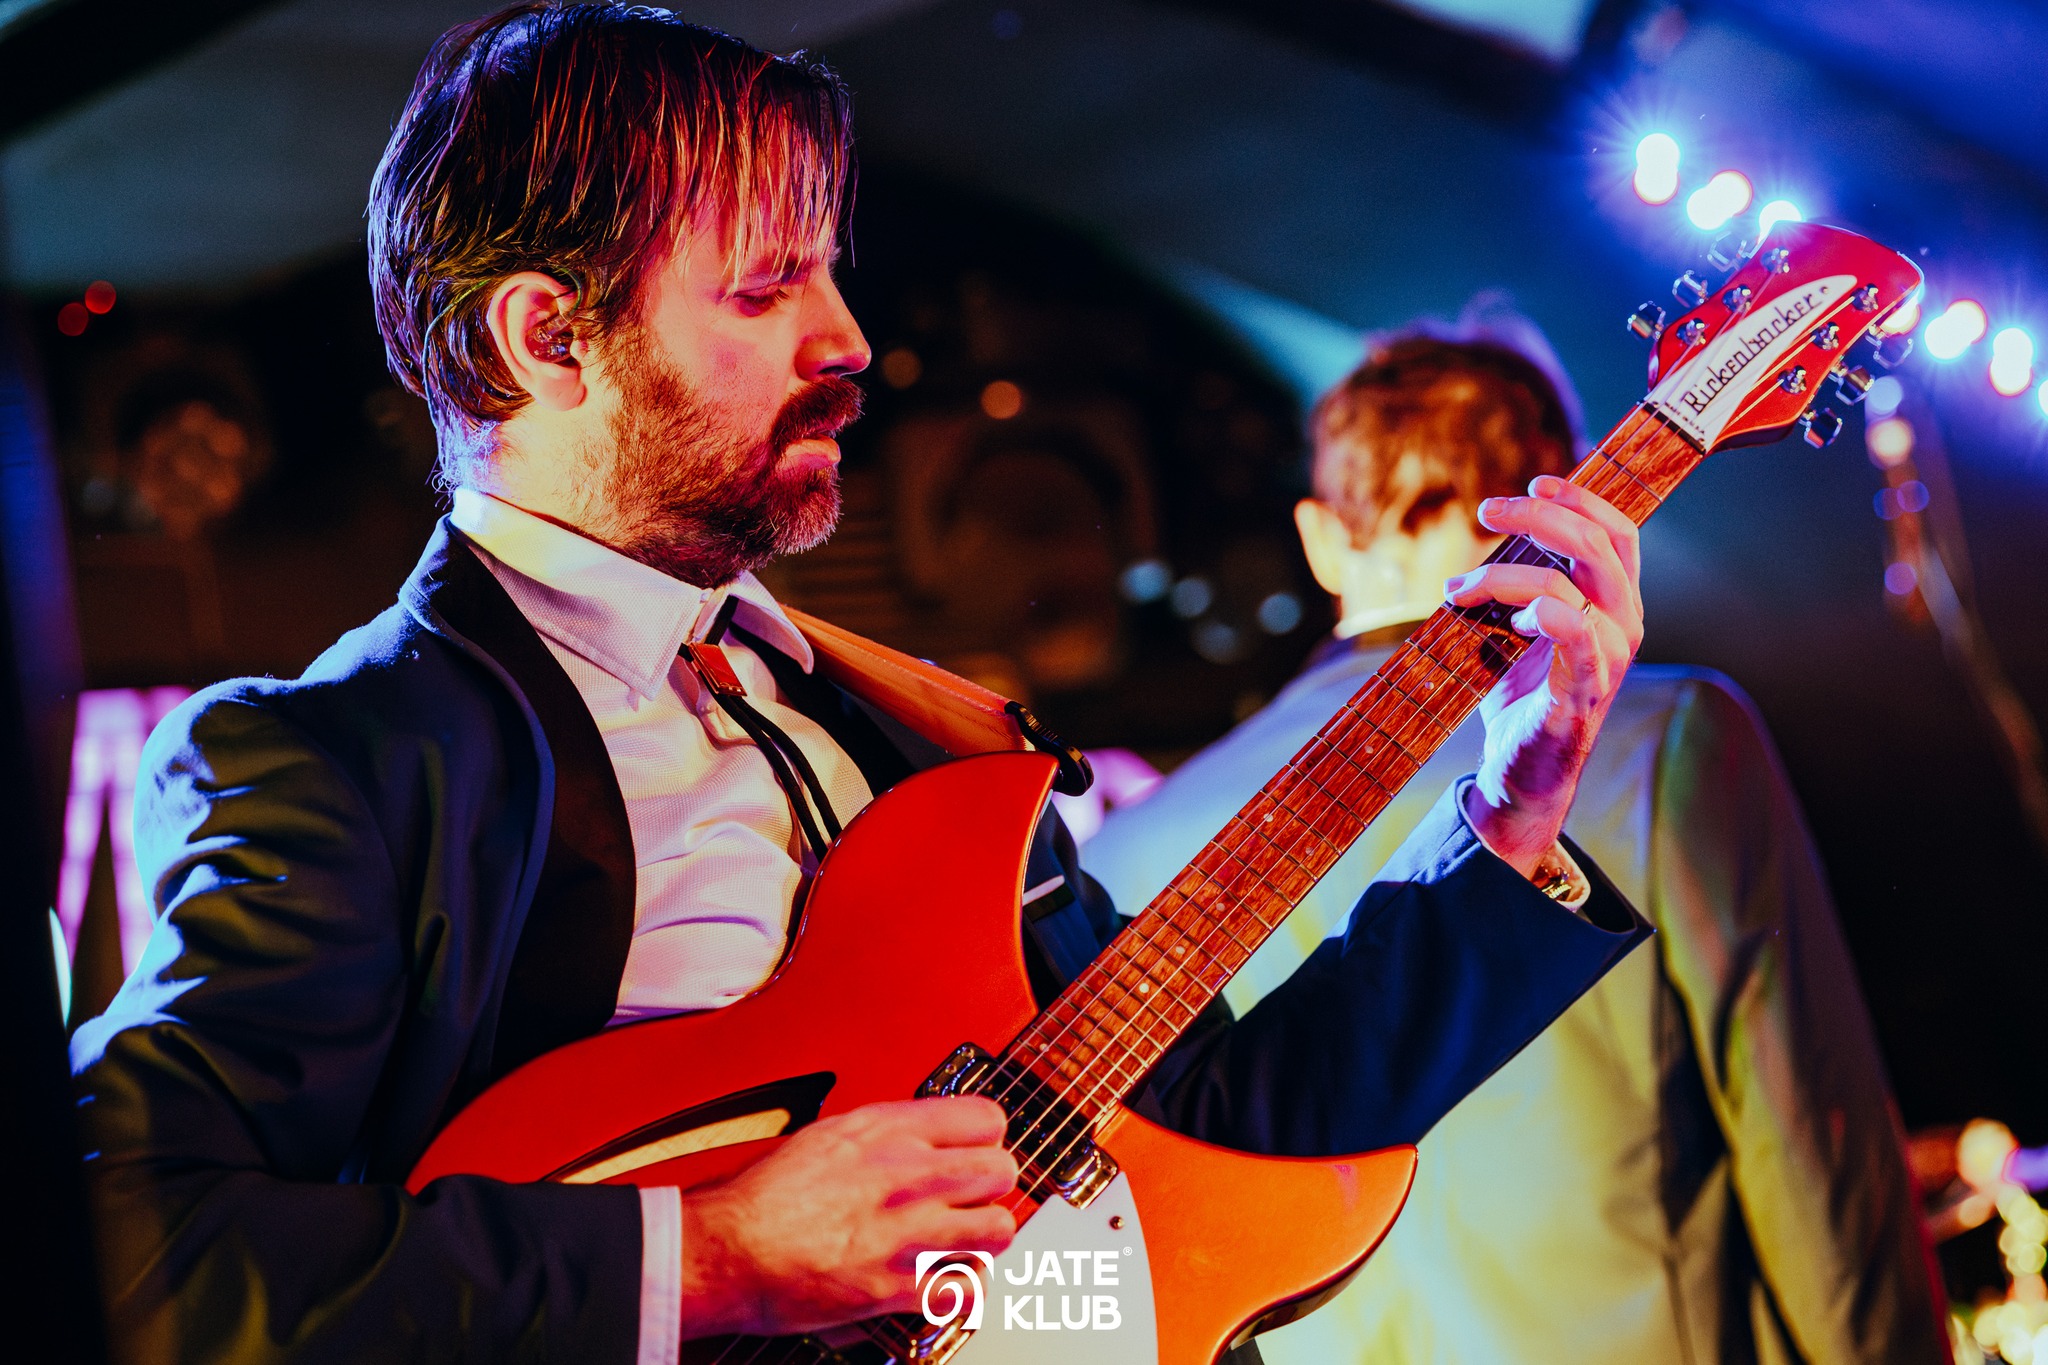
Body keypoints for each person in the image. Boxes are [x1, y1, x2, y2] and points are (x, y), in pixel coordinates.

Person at [68, 11, 1653, 1363]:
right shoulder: (336, 758)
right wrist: (716, 1255)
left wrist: (1509, 815)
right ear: (549, 338)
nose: (849, 339)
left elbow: (1219, 1119)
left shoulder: (920, 735)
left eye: (828, 275)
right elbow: (125, 1251)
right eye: (764, 290)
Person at [1082, 305, 1951, 1364]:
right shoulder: (1661, 738)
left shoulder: (1126, 850)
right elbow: (1812, 1144)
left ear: (1319, 538)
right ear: (1572, 501)